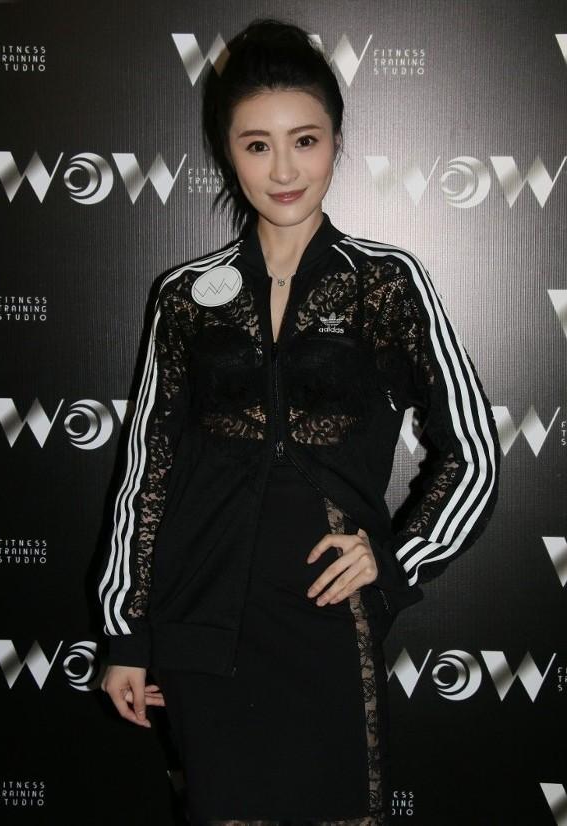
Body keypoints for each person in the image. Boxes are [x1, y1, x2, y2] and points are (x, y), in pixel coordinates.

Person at [97, 17, 501, 826]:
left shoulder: (386, 282)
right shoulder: (185, 297)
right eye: (257, 145)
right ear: (228, 152)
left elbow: (475, 455)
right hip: (200, 619)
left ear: (337, 143)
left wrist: (394, 559)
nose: (284, 170)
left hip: (327, 617)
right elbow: (147, 472)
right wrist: (125, 635)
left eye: (304, 141)